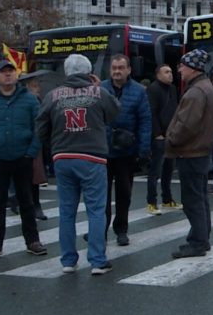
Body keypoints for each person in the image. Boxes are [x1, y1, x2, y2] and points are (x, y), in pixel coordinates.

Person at [37, 54, 119, 275]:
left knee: (66, 211)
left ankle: (68, 260)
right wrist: (98, 86)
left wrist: (55, 143)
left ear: (66, 72)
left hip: (62, 156)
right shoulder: (99, 92)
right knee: (96, 210)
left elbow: (41, 127)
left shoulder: (53, 96)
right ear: (89, 71)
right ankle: (97, 260)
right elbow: (114, 112)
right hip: (92, 156)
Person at [0, 60, 47, 260]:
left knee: (26, 201)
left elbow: (39, 129)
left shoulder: (29, 100)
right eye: (3, 72)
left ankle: (33, 241)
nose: (8, 75)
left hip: (22, 158)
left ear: (16, 75)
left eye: (11, 71)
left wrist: (30, 153)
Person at [167, 49, 213, 259]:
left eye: (182, 66)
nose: (179, 70)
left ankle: (197, 242)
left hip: (191, 151)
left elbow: (186, 125)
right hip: (201, 150)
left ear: (193, 67)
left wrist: (171, 139)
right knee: (200, 197)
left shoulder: (196, 91)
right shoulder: (205, 87)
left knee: (192, 200)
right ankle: (202, 238)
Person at [100, 54, 152, 246]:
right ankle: (101, 230)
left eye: (121, 67)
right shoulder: (101, 89)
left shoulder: (138, 91)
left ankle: (121, 229)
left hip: (126, 151)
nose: (117, 71)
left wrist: (143, 149)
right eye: (114, 68)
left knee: (124, 193)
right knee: (101, 195)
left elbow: (145, 121)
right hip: (103, 151)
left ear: (129, 70)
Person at [146, 64, 180, 214]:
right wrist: (157, 133)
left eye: (171, 71)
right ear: (158, 75)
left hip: (171, 134)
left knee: (168, 169)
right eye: (166, 72)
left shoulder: (172, 89)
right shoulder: (153, 89)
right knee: (155, 170)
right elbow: (151, 113)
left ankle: (167, 199)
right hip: (159, 137)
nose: (170, 74)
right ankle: (151, 202)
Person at [18, 70, 50, 221]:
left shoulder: (38, 100)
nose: (39, 88)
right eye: (35, 85)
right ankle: (27, 204)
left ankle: (35, 205)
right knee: (25, 178)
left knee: (35, 178)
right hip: (23, 141)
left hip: (35, 143)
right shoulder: (25, 100)